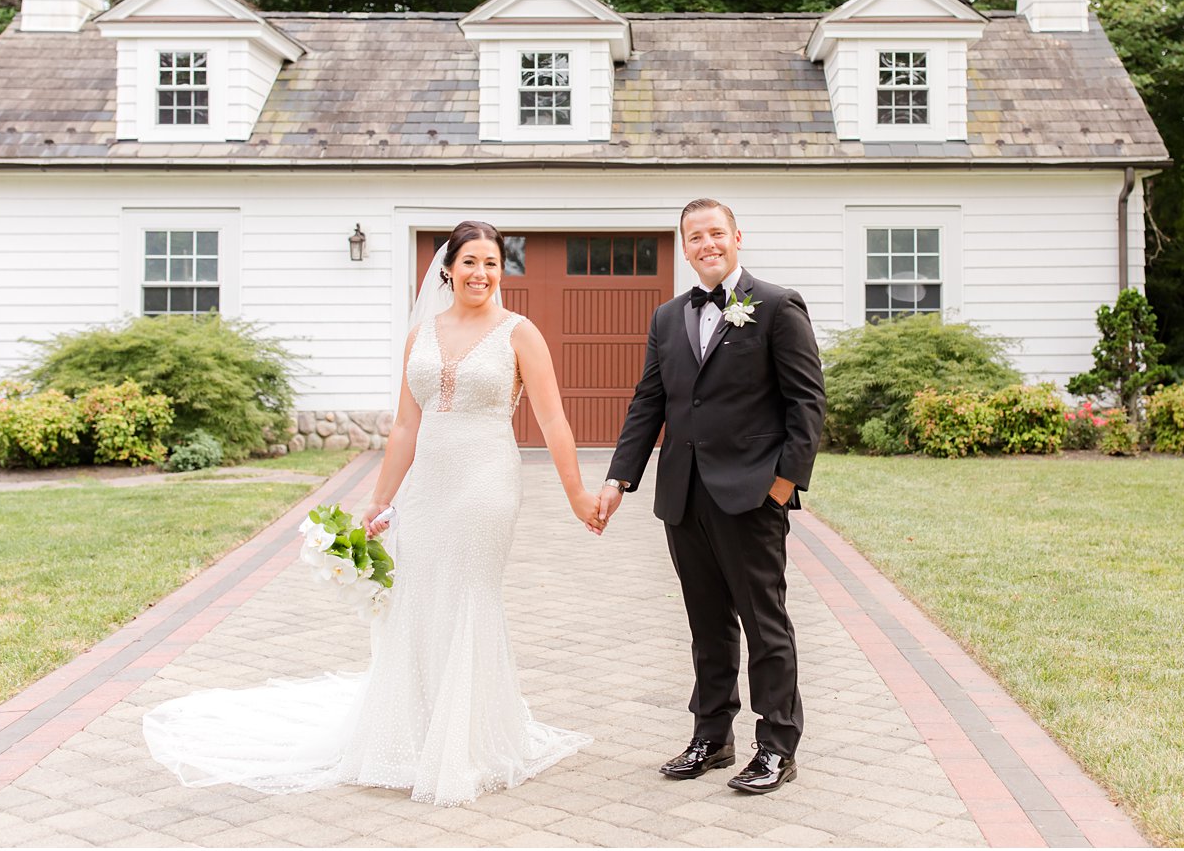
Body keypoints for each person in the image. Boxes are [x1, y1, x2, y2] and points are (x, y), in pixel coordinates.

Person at [144, 220, 602, 806]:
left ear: (501, 271)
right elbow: (407, 425)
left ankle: (467, 744)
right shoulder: (423, 335)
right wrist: (380, 499)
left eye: (492, 262)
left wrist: (576, 495)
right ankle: (413, 734)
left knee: (468, 595)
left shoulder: (520, 334)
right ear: (447, 269)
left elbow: (553, 420)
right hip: (429, 487)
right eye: (469, 262)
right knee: (417, 597)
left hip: (486, 481)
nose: (481, 273)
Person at [596, 198, 825, 795]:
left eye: (716, 233)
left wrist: (783, 484)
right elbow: (651, 402)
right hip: (684, 496)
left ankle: (777, 745)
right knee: (706, 624)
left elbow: (808, 403)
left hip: (752, 494)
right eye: (695, 236)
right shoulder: (668, 317)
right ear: (685, 246)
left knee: (764, 624)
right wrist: (619, 478)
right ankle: (711, 737)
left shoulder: (776, 306)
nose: (707, 244)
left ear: (736, 236)